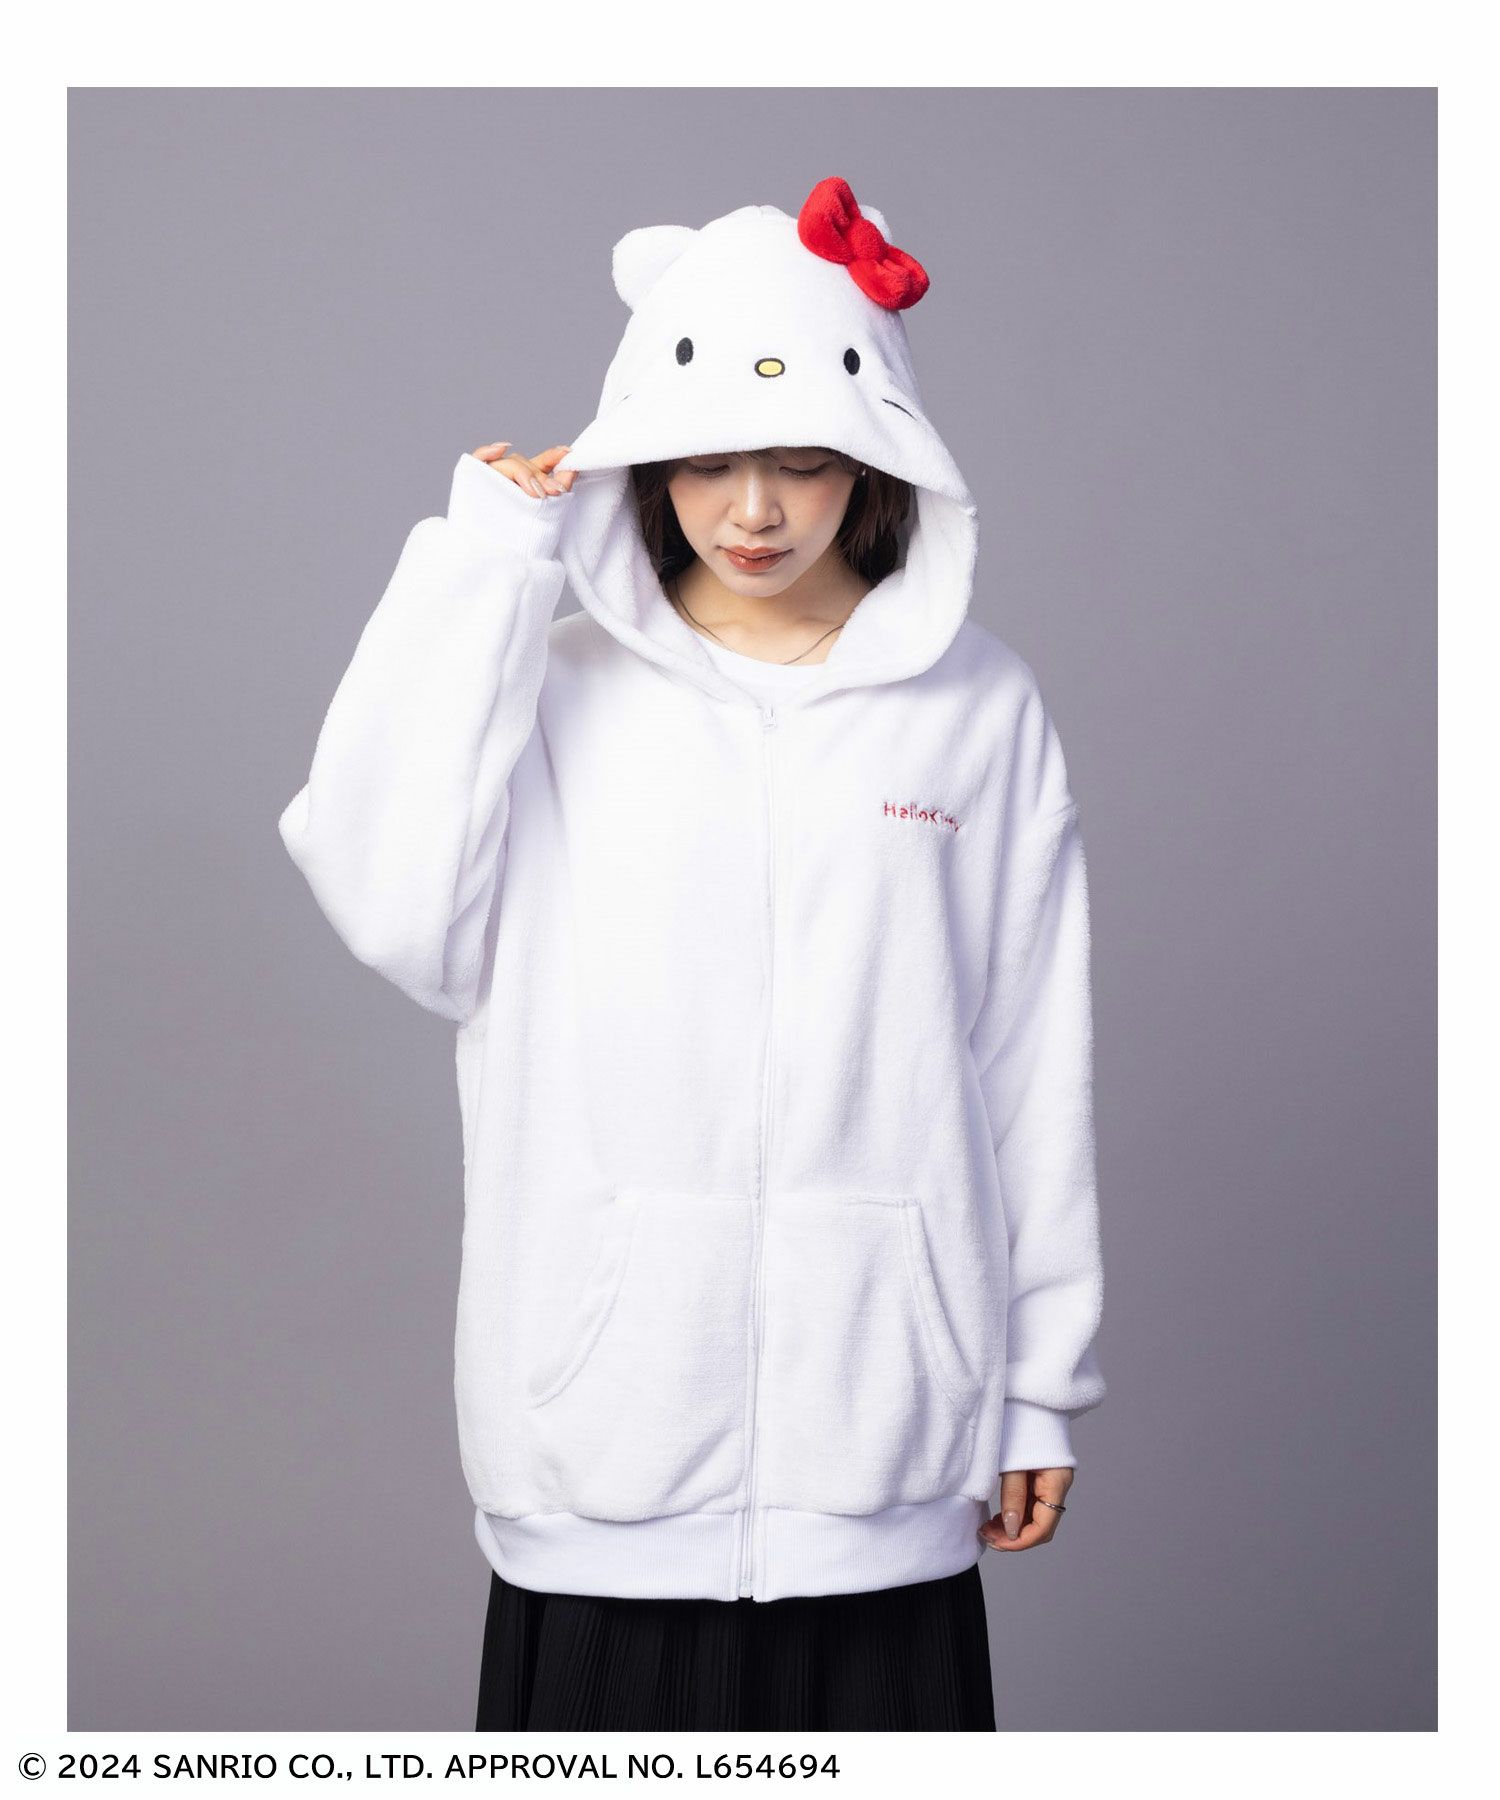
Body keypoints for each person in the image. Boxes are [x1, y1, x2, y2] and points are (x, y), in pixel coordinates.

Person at [278, 177, 1106, 1733]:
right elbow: (395, 907)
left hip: (887, 1456)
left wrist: (1037, 1382)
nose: (754, 512)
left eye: (802, 461)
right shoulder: (549, 683)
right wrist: (482, 573)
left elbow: (1025, 1058)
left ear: (876, 462)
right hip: (599, 1459)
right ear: (645, 462)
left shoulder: (978, 705)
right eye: (709, 461)